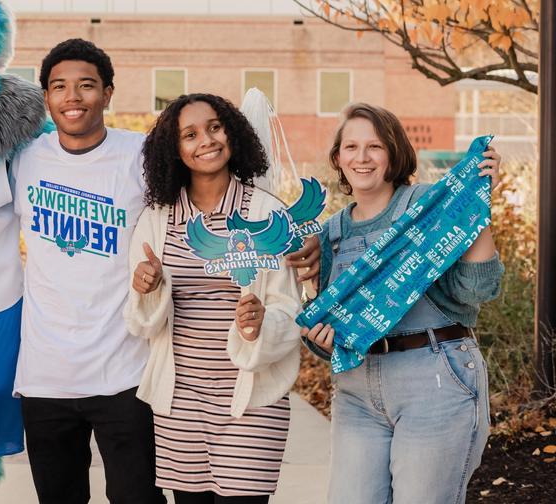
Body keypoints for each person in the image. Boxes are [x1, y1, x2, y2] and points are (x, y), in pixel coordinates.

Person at [301, 103, 503, 504]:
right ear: (338, 158)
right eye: (351, 146)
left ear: (394, 153)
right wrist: (321, 341)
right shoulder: (331, 234)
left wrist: (475, 208)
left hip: (434, 380)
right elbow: (333, 327)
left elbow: (476, 291)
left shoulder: (426, 206)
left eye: (374, 146)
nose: (362, 157)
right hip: (356, 392)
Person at [128, 93, 303, 504]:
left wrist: (263, 321)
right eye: (189, 134)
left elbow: (289, 307)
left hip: (251, 399)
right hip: (181, 402)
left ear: (232, 132)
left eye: (214, 127)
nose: (205, 140)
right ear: (174, 149)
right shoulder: (158, 218)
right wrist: (146, 290)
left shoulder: (264, 213)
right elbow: (140, 321)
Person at [11, 39, 164, 504]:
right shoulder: (24, 159)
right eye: (59, 87)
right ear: (46, 98)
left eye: (86, 86)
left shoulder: (140, 155)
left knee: (137, 498)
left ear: (108, 93)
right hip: (45, 374)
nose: (72, 97)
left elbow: (199, 208)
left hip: (125, 370)